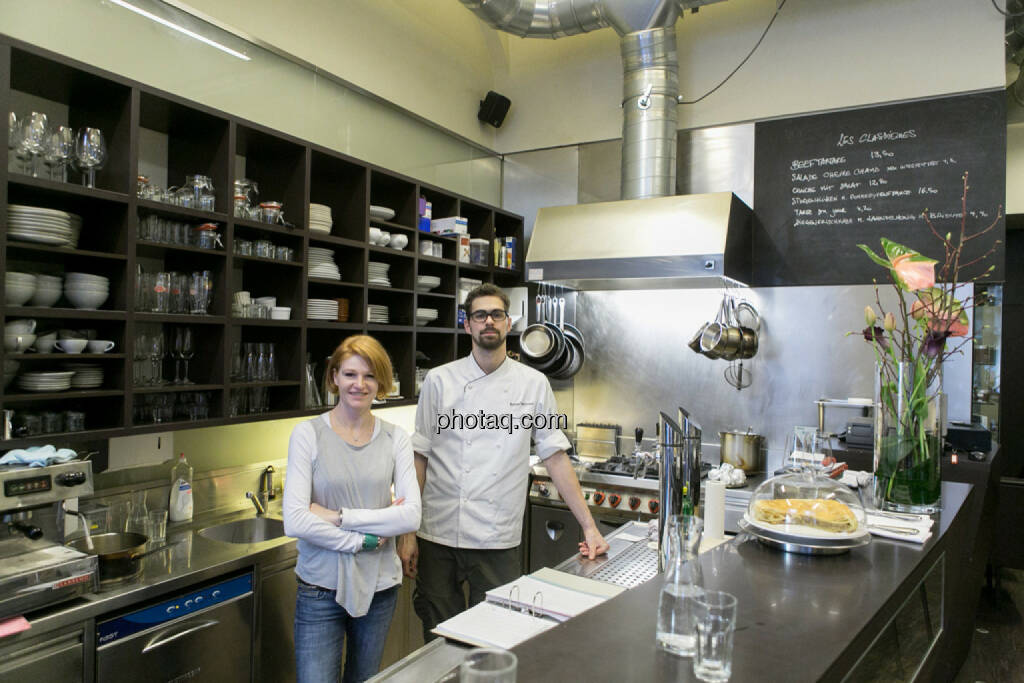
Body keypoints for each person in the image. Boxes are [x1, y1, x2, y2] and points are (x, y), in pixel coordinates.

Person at [399, 283, 609, 640]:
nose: (488, 322)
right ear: (467, 325)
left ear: (508, 322)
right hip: (437, 532)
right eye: (479, 315)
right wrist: (407, 533)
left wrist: (589, 526)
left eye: (496, 314)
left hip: (496, 538)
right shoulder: (439, 381)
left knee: (495, 635)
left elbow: (555, 457)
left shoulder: (534, 384)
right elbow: (419, 458)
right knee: (436, 635)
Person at [283, 335, 421, 683]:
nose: (360, 385)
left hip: (380, 588)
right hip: (319, 587)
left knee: (365, 679)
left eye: (370, 376)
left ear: (381, 382)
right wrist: (364, 541)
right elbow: (295, 520)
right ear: (334, 378)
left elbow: (410, 515)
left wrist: (338, 517)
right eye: (350, 374)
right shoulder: (307, 434)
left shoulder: (395, 438)